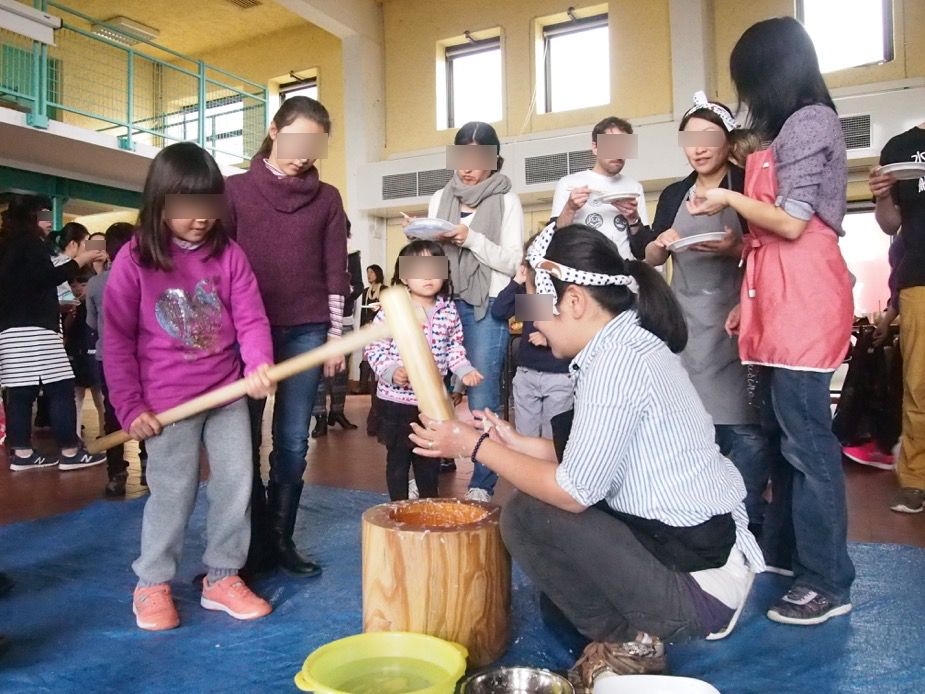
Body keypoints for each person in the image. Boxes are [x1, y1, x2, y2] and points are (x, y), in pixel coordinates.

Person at [409, 224, 763, 689]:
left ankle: (633, 642)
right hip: (700, 558)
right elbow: (602, 454)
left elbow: (575, 490)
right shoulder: (624, 342)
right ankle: (637, 627)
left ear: (573, 301)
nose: (532, 322)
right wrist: (513, 441)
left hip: (698, 587)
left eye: (537, 305)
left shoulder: (616, 363)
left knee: (530, 516)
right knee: (552, 563)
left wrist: (474, 447)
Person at [687, 17, 855, 625]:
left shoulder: (812, 121)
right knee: (786, 441)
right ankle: (787, 554)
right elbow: (769, 237)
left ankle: (829, 580)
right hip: (775, 297)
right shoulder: (789, 128)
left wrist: (729, 199)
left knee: (808, 445)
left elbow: (790, 223)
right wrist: (745, 297)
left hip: (805, 300)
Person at [104, 142, 275, 631]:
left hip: (225, 393)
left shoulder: (229, 254)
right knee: (172, 491)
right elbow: (116, 339)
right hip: (166, 405)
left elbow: (250, 317)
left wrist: (258, 362)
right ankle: (152, 582)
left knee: (237, 483)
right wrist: (129, 406)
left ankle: (221, 576)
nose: (200, 218)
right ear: (159, 202)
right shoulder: (136, 259)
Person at [632, 93, 771, 533]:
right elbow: (650, 256)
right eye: (690, 138)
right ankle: (699, 520)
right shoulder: (676, 192)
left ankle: (744, 522)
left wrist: (737, 247)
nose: (700, 146)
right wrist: (661, 242)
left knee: (744, 430)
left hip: (738, 315)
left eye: (709, 136)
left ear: (728, 140)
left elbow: (773, 249)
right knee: (691, 425)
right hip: (686, 319)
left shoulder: (748, 184)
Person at [225, 96, 351, 577]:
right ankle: (248, 545)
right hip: (246, 333)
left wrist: (334, 337)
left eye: (315, 145)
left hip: (307, 330)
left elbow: (334, 270)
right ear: (274, 130)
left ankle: (280, 541)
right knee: (241, 442)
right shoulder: (233, 190)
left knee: (294, 441)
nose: (305, 153)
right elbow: (219, 267)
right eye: (298, 139)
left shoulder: (328, 197)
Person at [417, 120, 522, 502]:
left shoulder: (507, 201)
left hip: (485, 304)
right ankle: (432, 464)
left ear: (494, 160)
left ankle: (482, 481)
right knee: (434, 386)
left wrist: (469, 237)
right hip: (442, 301)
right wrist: (420, 236)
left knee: (481, 393)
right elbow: (429, 256)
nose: (468, 165)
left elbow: (513, 262)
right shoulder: (438, 198)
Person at [365, 240, 482, 500]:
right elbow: (374, 348)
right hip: (397, 401)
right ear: (405, 275)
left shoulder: (448, 310)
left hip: (431, 404)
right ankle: (398, 507)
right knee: (398, 460)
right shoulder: (391, 310)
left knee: (428, 461)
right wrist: (392, 371)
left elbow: (454, 347)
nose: (428, 275)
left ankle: (428, 507)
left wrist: (464, 371)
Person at [0, 194, 106, 472]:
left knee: (21, 392)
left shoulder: (8, 246)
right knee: (60, 386)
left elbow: (25, 288)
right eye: (45, 216)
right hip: (35, 331)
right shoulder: (30, 245)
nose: (50, 223)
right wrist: (79, 259)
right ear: (32, 217)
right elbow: (46, 278)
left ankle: (22, 452)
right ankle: (70, 451)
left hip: (11, 331)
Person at [869, 120, 925, 512]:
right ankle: (915, 479)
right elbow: (890, 223)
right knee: (919, 385)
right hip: (920, 276)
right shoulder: (901, 147)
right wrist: (881, 196)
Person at [86, 221, 147, 497]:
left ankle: (116, 474)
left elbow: (90, 321)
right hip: (142, 357)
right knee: (150, 410)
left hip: (106, 357)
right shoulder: (146, 275)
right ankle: (148, 464)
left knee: (113, 415)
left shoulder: (96, 283)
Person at [491, 234, 573, 439]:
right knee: (525, 439)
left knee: (551, 439)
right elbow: (499, 311)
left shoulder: (564, 295)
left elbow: (572, 332)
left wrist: (549, 339)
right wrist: (517, 280)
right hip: (527, 374)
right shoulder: (530, 294)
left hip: (559, 377)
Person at [551, 116, 649, 261]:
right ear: (595, 147)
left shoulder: (634, 188)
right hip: (583, 272)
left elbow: (642, 252)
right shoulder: (568, 183)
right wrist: (570, 208)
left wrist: (634, 219)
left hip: (622, 276)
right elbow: (553, 240)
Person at [312, 230, 364, 437]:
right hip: (319, 319)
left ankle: (338, 412)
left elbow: (359, 286)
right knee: (320, 373)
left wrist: (341, 290)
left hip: (344, 319)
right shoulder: (314, 252)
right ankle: (320, 417)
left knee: (342, 372)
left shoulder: (351, 255)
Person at [64, 266, 105, 439]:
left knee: (100, 397)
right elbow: (65, 331)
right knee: (76, 397)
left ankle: (105, 432)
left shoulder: (97, 304)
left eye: (83, 283)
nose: (78, 288)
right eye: (73, 285)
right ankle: (75, 436)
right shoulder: (68, 307)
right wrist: (69, 316)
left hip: (94, 354)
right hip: (76, 354)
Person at [359, 264, 385, 399]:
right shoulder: (365, 291)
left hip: (380, 328)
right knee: (365, 356)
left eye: (371, 272)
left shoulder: (385, 289)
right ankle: (363, 385)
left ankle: (377, 386)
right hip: (367, 327)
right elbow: (363, 312)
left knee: (380, 355)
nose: (369, 275)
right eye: (367, 272)